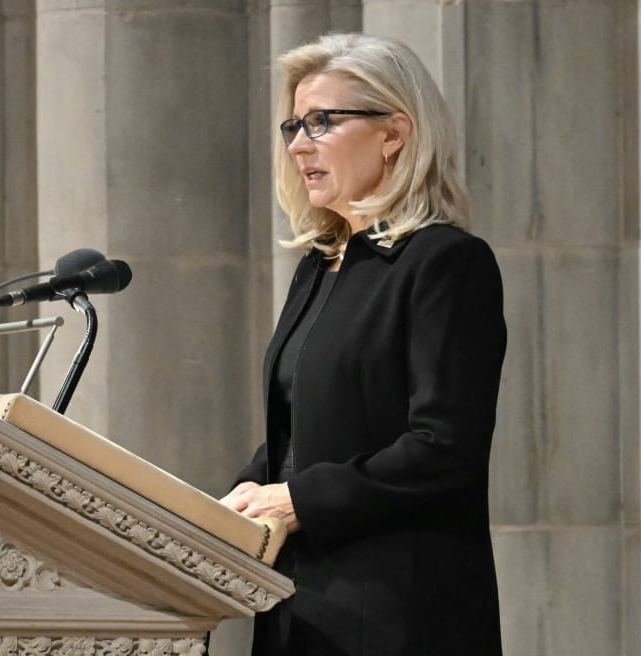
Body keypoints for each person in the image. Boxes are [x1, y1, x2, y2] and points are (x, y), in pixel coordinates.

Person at [219, 33, 506, 655]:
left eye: (321, 121)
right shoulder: (321, 266)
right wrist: (229, 500)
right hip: (298, 607)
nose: (298, 143)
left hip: (395, 617)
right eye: (293, 124)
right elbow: (305, 432)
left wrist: (299, 500)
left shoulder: (445, 263)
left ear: (394, 132)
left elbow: (444, 446)